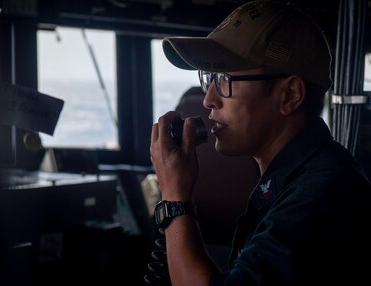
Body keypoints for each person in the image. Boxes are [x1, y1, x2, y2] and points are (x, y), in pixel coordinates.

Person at [149, 0, 371, 285]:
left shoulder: (319, 196)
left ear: (289, 94)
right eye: (210, 79)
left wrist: (175, 198)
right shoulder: (291, 180)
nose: (208, 100)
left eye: (225, 78)